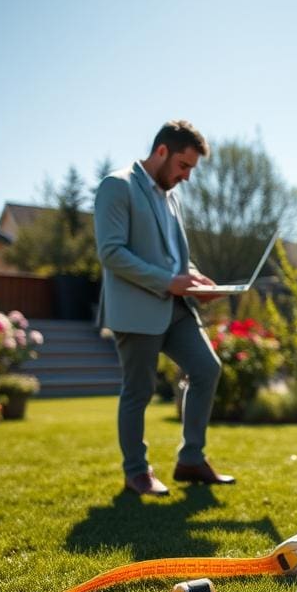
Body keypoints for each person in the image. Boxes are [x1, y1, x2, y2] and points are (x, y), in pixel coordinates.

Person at [94, 120, 235, 496]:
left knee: (207, 369)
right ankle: (136, 471)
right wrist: (166, 281)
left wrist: (198, 280)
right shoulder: (117, 186)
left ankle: (190, 459)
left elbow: (174, 259)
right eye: (183, 166)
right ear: (161, 152)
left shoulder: (171, 196)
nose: (187, 176)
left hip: (176, 307)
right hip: (137, 308)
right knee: (138, 390)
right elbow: (111, 252)